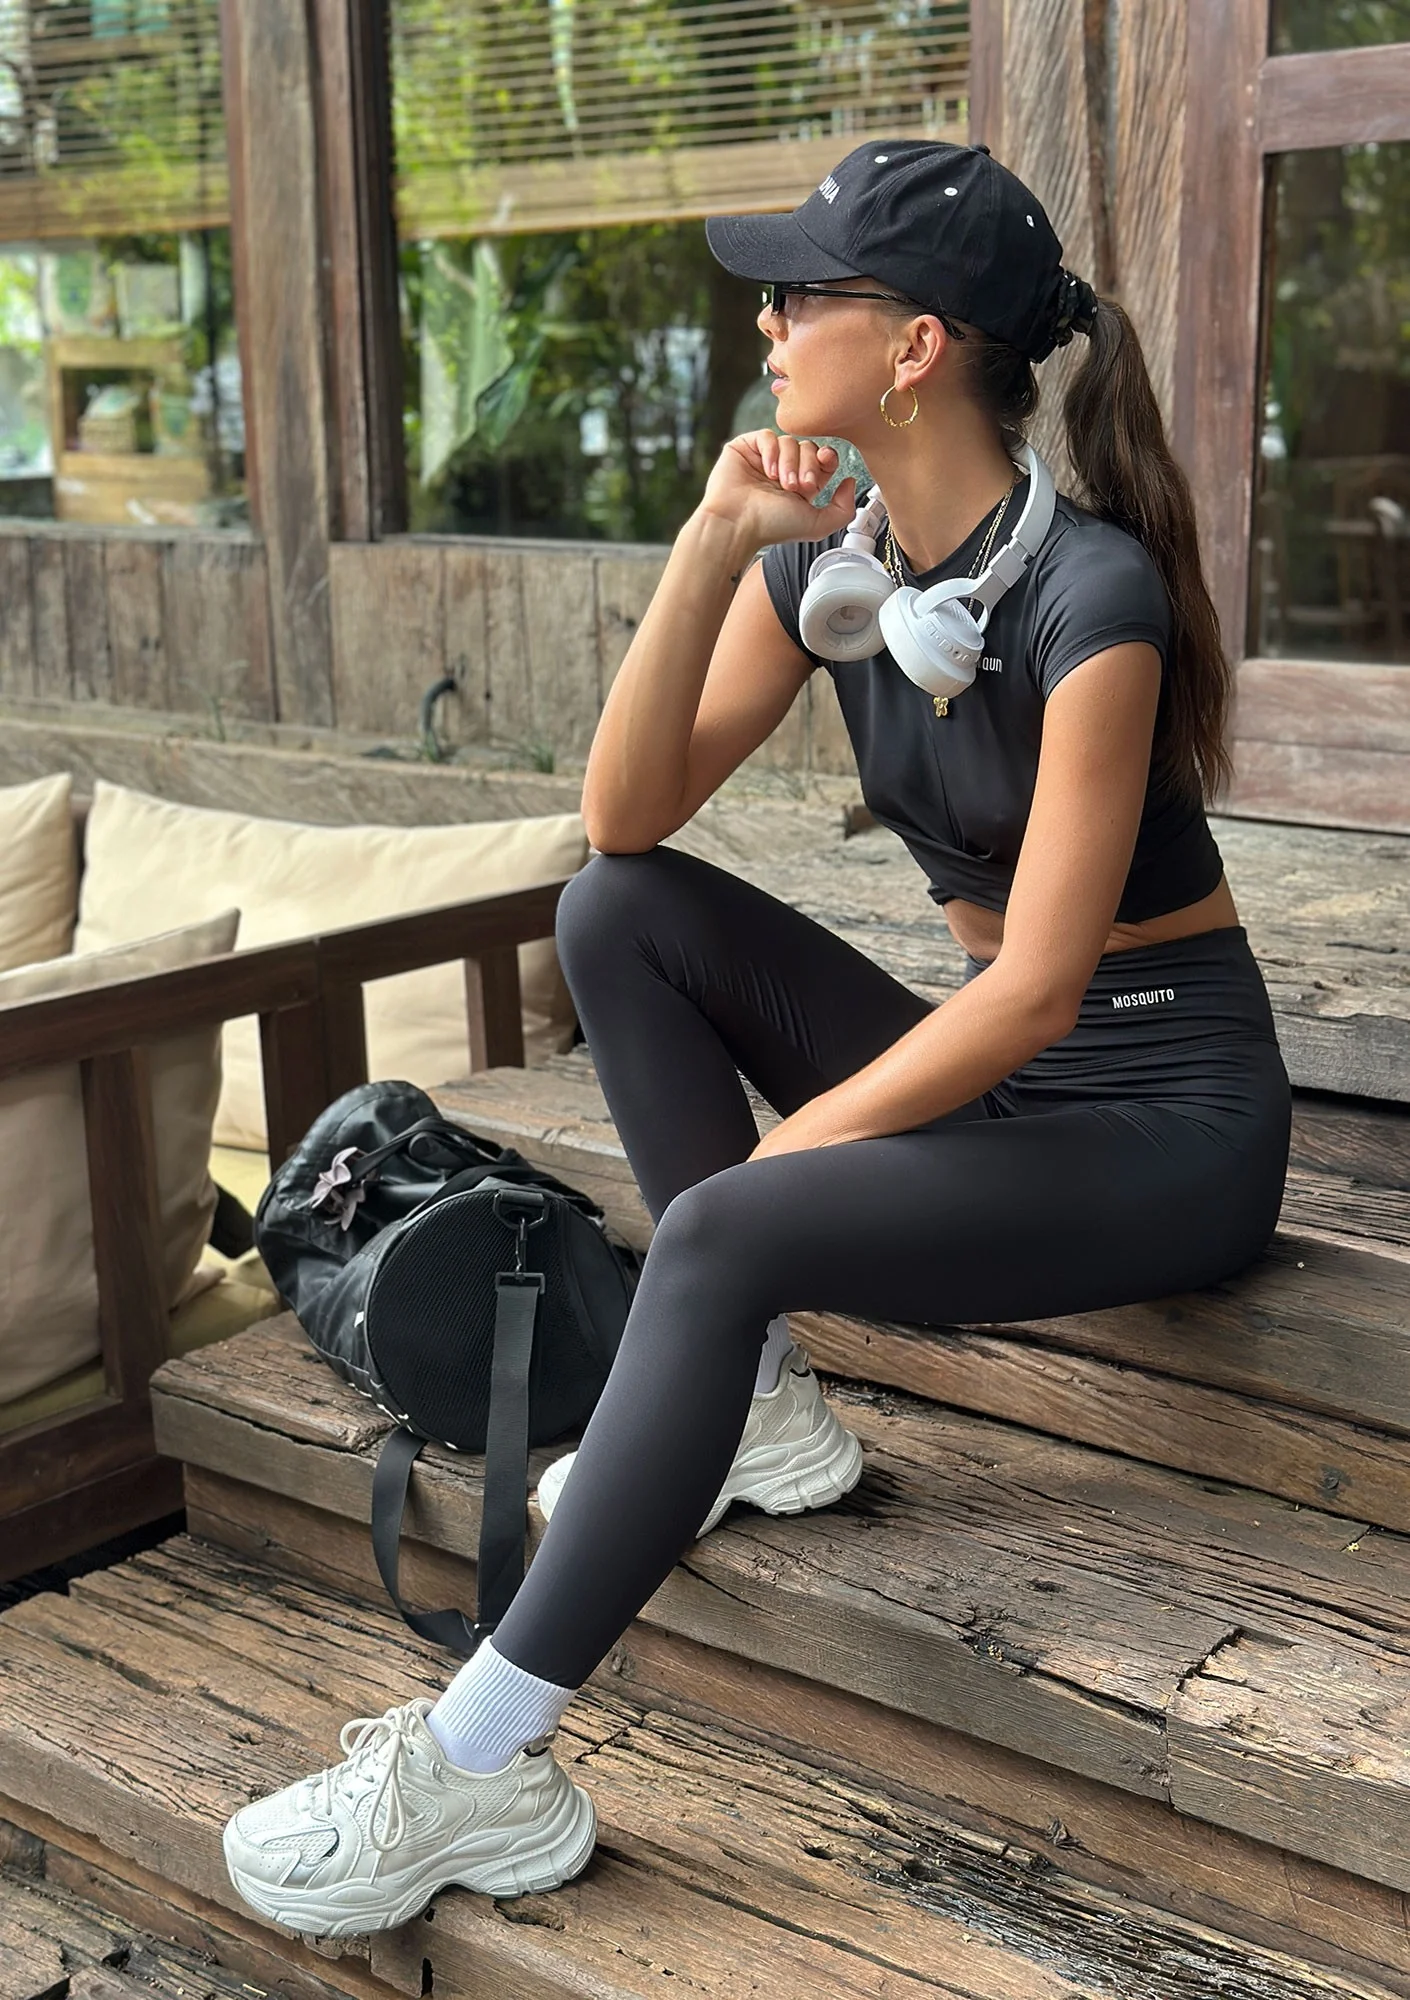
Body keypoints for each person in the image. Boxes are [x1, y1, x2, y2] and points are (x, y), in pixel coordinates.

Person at [222, 140, 1291, 1941]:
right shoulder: (841, 574)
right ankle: (758, 1404)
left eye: (804, 294)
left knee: (721, 1226)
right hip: (1008, 1075)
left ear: (915, 347)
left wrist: (789, 1160)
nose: (768, 322)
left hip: (1162, 1120)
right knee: (612, 909)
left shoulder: (1088, 599)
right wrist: (717, 538)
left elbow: (1037, 989)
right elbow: (622, 816)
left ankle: (483, 1762)